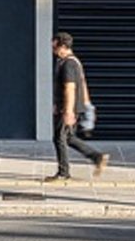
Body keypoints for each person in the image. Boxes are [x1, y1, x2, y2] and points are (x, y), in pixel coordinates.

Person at [46, 30, 109, 183]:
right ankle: (96, 157)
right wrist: (86, 104)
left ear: (62, 46)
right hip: (73, 106)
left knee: (59, 138)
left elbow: (70, 87)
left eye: (54, 47)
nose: (53, 50)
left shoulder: (68, 63)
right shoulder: (75, 62)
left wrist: (67, 111)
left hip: (68, 108)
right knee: (68, 137)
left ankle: (63, 173)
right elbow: (83, 83)